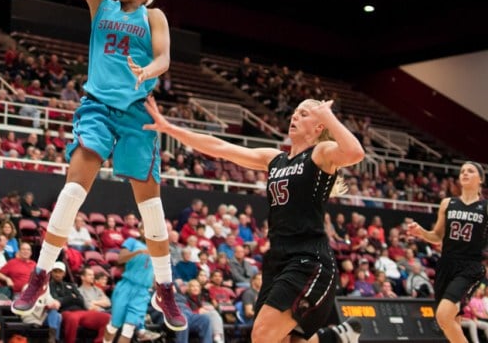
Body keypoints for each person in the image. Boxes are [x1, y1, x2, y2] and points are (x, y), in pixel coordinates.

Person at [12, 0, 185, 334]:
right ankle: (40, 273)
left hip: (136, 115)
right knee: (72, 192)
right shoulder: (102, 6)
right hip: (96, 108)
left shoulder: (154, 17)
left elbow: (166, 55)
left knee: (151, 209)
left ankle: (164, 288)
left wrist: (149, 71)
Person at [144, 97, 365, 343]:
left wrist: (329, 116)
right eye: (295, 112)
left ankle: (332, 337)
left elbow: (355, 152)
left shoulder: (321, 154)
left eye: (304, 114)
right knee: (286, 340)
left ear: (318, 127)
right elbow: (221, 148)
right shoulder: (275, 159)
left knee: (261, 336)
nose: (294, 116)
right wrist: (170, 128)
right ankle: (333, 337)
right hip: (277, 261)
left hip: (309, 259)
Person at [409, 161, 488, 343]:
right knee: (451, 323)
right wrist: (420, 232)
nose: (465, 174)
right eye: (462, 171)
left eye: (470, 171)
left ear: (480, 179)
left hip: (470, 267)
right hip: (446, 265)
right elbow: (437, 236)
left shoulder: (485, 207)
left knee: (443, 316)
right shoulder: (447, 203)